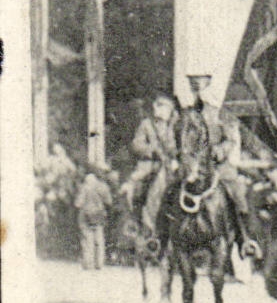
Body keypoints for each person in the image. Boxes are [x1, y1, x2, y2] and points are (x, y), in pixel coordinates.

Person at [181, 73, 261, 261]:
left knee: (237, 194)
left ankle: (246, 240)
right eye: (192, 84)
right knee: (167, 190)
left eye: (199, 83)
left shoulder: (221, 112)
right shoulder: (185, 114)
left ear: (207, 85)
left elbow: (231, 139)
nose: (195, 89)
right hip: (191, 166)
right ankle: (162, 237)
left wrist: (220, 150)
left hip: (218, 166)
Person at [127, 93, 179, 243]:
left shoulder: (174, 125)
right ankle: (138, 222)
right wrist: (152, 149)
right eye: (157, 105)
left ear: (170, 110)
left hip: (170, 164)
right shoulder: (146, 124)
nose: (157, 109)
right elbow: (136, 144)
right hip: (150, 164)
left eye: (162, 106)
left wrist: (174, 153)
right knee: (134, 186)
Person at [75, 164, 115, 270]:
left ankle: (88, 263)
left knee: (87, 239)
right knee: (99, 239)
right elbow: (109, 201)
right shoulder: (103, 187)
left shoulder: (85, 186)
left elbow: (78, 203)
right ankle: (99, 263)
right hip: (98, 214)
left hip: (85, 215)